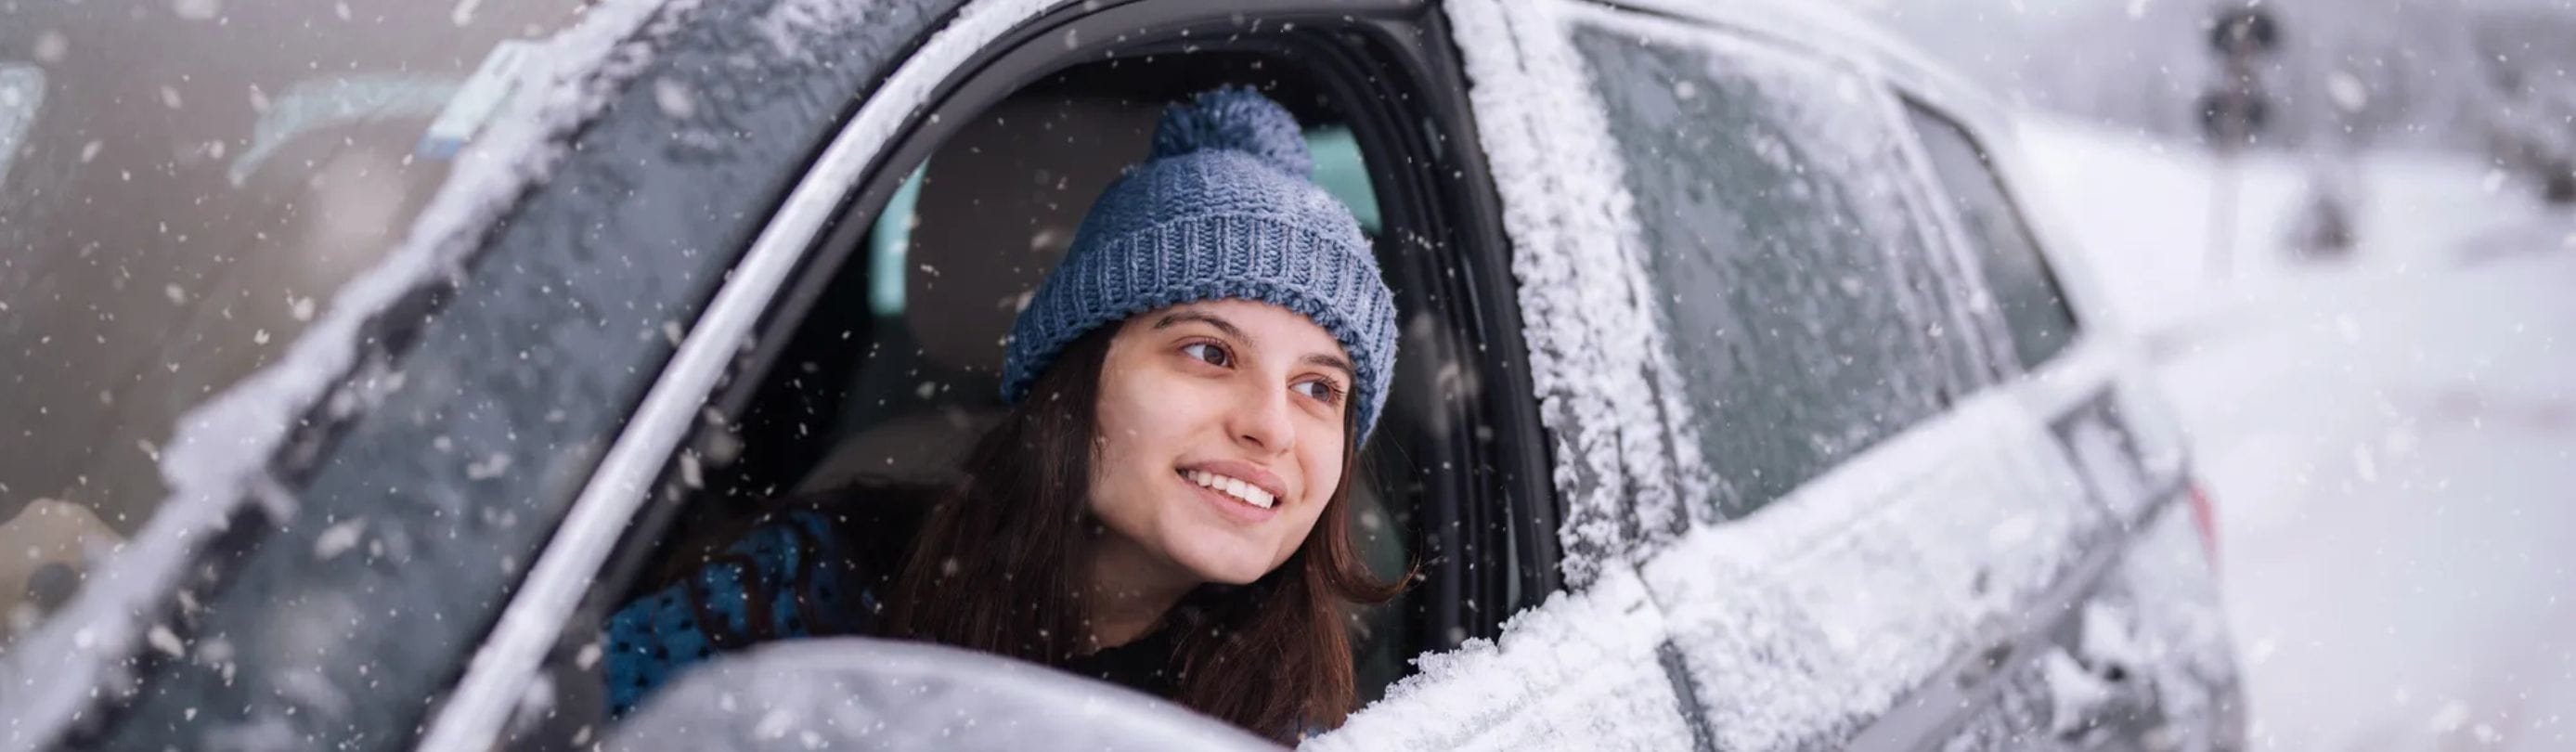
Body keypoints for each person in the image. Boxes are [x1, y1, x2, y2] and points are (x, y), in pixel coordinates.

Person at [601, 85, 1408, 741]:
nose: (1270, 425)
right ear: (1076, 379)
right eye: (1208, 353)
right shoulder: (814, 585)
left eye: (1318, 389)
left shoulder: (1306, 720)